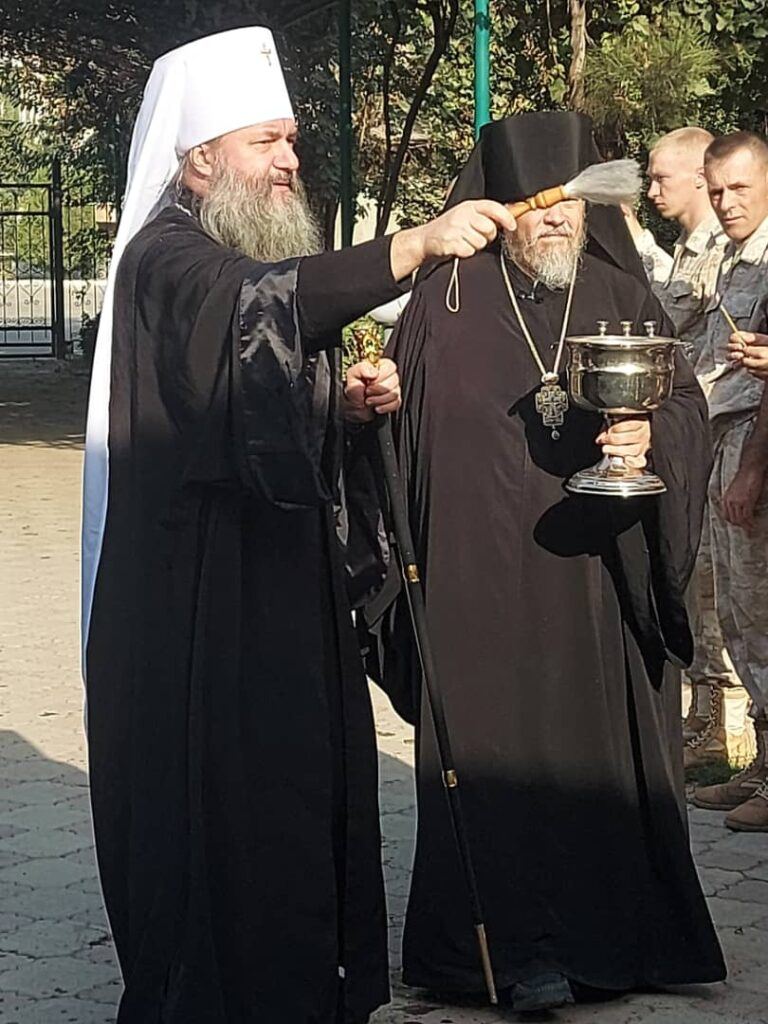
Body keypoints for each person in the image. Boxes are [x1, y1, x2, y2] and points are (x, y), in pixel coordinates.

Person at [81, 28, 514, 1024]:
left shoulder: (234, 250)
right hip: (201, 603)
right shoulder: (168, 257)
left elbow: (256, 385)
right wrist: (410, 246)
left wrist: (344, 411)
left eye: (290, 140)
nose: (288, 160)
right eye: (264, 141)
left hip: (277, 587)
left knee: (296, 792)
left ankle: (309, 984)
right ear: (199, 159)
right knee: (232, 807)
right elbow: (251, 311)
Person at [368, 112, 725, 1012]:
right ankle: (500, 954)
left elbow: (685, 408)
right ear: (499, 210)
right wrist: (366, 414)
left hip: (599, 584)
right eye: (535, 204)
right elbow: (390, 440)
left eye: (569, 202)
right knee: (491, 765)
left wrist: (650, 441)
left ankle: (624, 939)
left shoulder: (622, 294)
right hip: (477, 585)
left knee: (601, 757)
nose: (556, 218)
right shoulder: (445, 305)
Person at [626, 129, 753, 770]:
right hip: (706, 432)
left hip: (735, 430)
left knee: (736, 596)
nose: (653, 190)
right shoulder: (707, 252)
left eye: (661, 178)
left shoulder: (731, 253)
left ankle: (732, 732)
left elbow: (678, 329)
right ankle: (709, 723)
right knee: (707, 589)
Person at [690, 131, 768, 833]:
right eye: (716, 190)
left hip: (755, 446)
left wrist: (752, 469)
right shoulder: (733, 257)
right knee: (737, 614)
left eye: (740, 188)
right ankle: (762, 762)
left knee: (760, 609)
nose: (726, 202)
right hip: (726, 437)